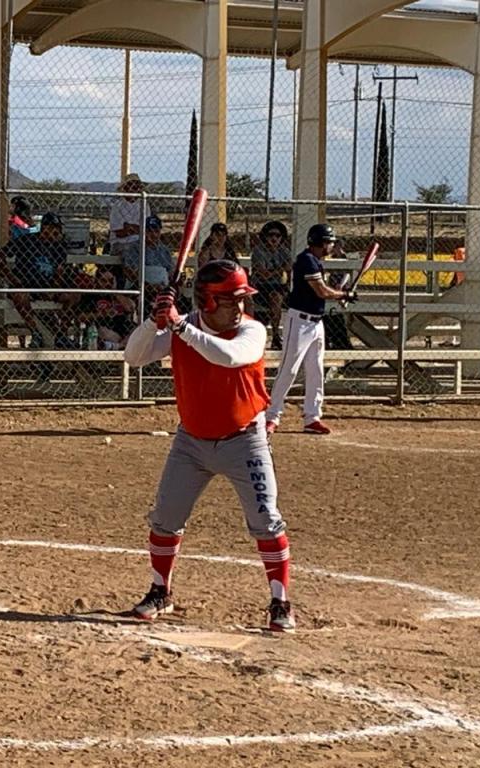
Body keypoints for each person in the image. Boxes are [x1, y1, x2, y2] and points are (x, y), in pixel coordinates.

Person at [123, 260, 294, 632]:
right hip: (191, 442)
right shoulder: (181, 329)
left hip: (244, 441)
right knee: (165, 519)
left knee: (266, 520)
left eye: (241, 299)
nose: (240, 307)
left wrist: (180, 324)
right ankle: (160, 591)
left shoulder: (253, 330)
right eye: (231, 300)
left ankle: (281, 602)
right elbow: (133, 356)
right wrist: (155, 321)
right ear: (209, 301)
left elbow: (229, 357)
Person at [266, 224, 356, 436]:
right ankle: (271, 416)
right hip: (299, 322)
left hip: (316, 323)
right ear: (320, 242)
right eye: (329, 242)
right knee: (289, 369)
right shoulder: (306, 260)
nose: (331, 246)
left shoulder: (316, 261)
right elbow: (321, 290)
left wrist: (342, 294)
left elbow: (322, 292)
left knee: (315, 370)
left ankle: (312, 417)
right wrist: (343, 295)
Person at [0, 211, 78, 347]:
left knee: (73, 296)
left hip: (46, 285)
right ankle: (35, 331)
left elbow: (59, 272)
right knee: (20, 296)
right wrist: (11, 277)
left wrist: (53, 289)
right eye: (54, 229)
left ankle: (62, 334)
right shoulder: (27, 240)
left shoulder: (59, 246)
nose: (57, 233)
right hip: (25, 284)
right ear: (46, 228)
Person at [250, 220, 291, 349]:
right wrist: (281, 269)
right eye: (271, 235)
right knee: (275, 297)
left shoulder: (283, 251)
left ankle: (287, 336)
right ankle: (275, 335)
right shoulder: (259, 251)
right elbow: (263, 274)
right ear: (265, 236)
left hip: (279, 286)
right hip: (261, 287)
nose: (274, 238)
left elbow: (290, 268)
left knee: (279, 296)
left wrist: (284, 274)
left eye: (277, 236)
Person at [122, 214, 172, 296]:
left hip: (161, 289)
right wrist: (148, 286)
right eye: (149, 231)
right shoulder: (134, 248)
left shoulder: (164, 250)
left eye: (156, 231)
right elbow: (130, 272)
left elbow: (170, 272)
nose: (153, 235)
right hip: (139, 289)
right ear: (143, 232)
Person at [108, 173, 150, 261]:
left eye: (136, 186)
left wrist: (129, 227)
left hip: (140, 243)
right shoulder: (117, 206)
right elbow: (120, 233)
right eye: (131, 185)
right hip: (120, 244)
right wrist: (137, 229)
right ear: (125, 188)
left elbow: (146, 229)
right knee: (131, 253)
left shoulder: (144, 205)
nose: (134, 189)